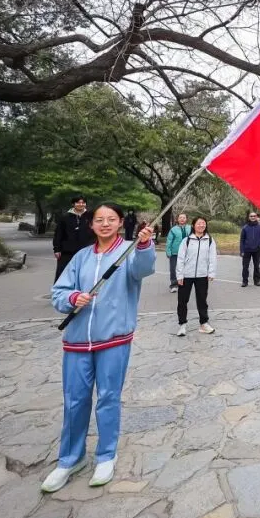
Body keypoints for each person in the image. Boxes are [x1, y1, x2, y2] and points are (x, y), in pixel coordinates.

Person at [43, 205, 156, 492]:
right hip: (77, 341)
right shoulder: (81, 257)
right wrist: (73, 298)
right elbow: (58, 293)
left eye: (111, 219)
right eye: (99, 220)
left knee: (108, 398)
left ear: (120, 223)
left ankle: (106, 455)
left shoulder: (129, 251)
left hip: (114, 340)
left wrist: (144, 244)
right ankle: (70, 459)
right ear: (91, 225)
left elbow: (144, 269)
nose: (105, 224)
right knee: (75, 400)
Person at [176, 216, 216, 336]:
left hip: (202, 275)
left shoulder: (209, 240)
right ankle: (182, 324)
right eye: (199, 223)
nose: (201, 225)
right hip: (186, 275)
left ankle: (204, 323)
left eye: (203, 223)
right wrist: (179, 275)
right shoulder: (186, 240)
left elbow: (212, 257)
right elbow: (180, 258)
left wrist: (211, 272)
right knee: (182, 300)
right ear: (193, 225)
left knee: (202, 300)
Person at [52, 195, 94, 282]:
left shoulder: (90, 217)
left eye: (83, 202)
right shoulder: (65, 217)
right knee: (63, 272)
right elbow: (58, 234)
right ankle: (60, 289)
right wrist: (57, 249)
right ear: (73, 204)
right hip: (67, 251)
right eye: (78, 202)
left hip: (86, 250)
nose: (81, 204)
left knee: (85, 273)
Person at [165, 213, 192, 294]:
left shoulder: (190, 228)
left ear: (186, 219)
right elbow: (169, 241)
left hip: (187, 252)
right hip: (175, 252)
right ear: (177, 219)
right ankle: (174, 285)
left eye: (184, 217)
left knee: (186, 269)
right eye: (180, 217)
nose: (182, 219)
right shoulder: (173, 229)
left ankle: (184, 284)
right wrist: (168, 251)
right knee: (173, 269)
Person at [239, 212, 260, 287]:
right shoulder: (245, 227)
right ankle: (245, 281)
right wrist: (242, 251)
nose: (253, 217)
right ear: (249, 217)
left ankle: (257, 281)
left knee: (257, 266)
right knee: (245, 267)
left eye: (254, 216)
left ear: (256, 217)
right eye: (251, 216)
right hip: (247, 250)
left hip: (257, 250)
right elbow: (242, 240)